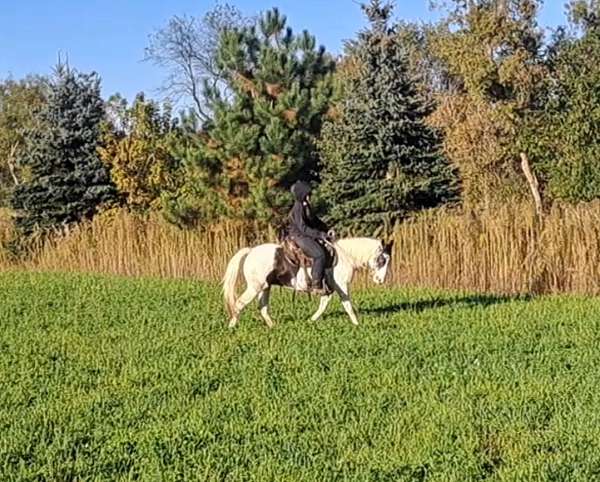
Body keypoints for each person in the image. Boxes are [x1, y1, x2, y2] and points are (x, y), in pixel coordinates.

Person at [287, 181, 334, 295]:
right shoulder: (298, 208)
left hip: (305, 234)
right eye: (307, 194)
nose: (310, 196)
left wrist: (326, 230)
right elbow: (303, 228)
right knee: (319, 255)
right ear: (301, 194)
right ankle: (316, 285)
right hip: (299, 236)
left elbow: (315, 221)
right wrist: (319, 235)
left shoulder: (306, 205)